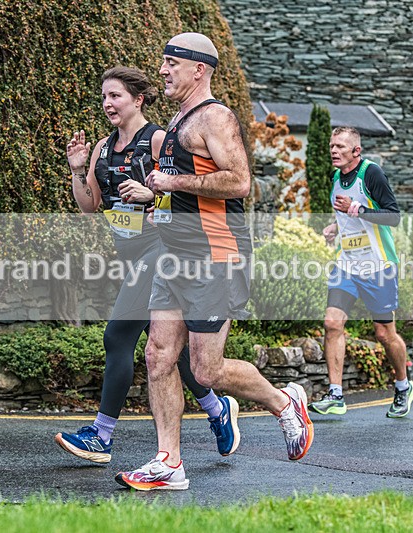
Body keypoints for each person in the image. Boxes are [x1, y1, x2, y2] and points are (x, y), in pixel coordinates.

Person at [116, 33, 313, 491]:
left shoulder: (215, 116)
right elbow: (181, 190)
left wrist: (170, 182)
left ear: (198, 69)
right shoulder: (178, 118)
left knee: (206, 370)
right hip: (174, 256)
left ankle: (283, 402)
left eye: (171, 63)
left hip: (215, 256)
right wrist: (156, 199)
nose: (162, 70)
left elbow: (239, 181)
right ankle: (169, 462)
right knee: (159, 355)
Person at [54, 66, 240, 465]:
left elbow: (188, 194)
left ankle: (101, 436)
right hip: (131, 257)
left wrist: (150, 197)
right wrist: (75, 169)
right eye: (104, 96)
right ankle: (217, 410)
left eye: (116, 96)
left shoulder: (159, 140)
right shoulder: (103, 148)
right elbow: (89, 206)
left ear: (137, 100)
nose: (107, 103)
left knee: (118, 338)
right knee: (171, 353)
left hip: (163, 251)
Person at [308, 126, 413, 419]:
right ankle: (336, 395)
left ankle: (403, 386)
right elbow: (345, 215)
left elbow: (393, 217)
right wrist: (334, 226)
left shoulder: (372, 174)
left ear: (357, 151)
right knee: (332, 323)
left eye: (341, 146)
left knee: (384, 333)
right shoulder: (336, 176)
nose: (334, 151)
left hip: (377, 265)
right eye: (332, 145)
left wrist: (357, 209)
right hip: (347, 264)